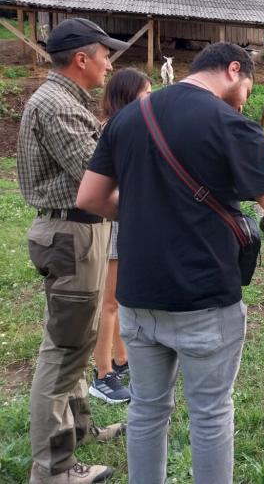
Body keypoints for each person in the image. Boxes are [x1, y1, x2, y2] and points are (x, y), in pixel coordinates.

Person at [75, 42, 264, 484]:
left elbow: (89, 198)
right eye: (249, 84)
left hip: (137, 299)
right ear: (232, 69)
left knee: (147, 410)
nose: (248, 95)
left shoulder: (129, 117)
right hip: (204, 298)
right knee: (209, 416)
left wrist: (145, 209)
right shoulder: (231, 124)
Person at [18, 18, 129, 484]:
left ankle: (79, 428)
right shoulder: (57, 106)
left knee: (77, 339)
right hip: (72, 235)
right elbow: (96, 174)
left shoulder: (65, 101)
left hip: (80, 232)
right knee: (63, 353)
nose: (109, 63)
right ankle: (54, 468)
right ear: (81, 58)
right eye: (105, 54)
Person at [90, 69, 152, 405]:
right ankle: (102, 373)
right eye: (146, 93)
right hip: (114, 220)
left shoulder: (121, 128)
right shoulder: (115, 131)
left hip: (119, 218)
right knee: (111, 301)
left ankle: (121, 356)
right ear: (129, 97)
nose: (150, 101)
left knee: (117, 299)